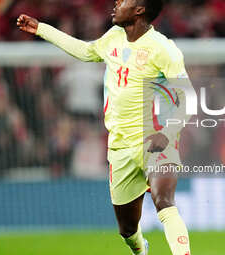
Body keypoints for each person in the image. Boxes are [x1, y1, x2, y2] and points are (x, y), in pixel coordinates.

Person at [17, 1, 192, 254]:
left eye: (125, 0)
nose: (117, 3)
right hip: (120, 146)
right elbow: (86, 51)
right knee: (127, 229)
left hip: (154, 138)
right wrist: (42, 29)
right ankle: (141, 249)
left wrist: (167, 134)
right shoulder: (114, 37)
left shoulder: (164, 49)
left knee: (164, 202)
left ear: (140, 10)